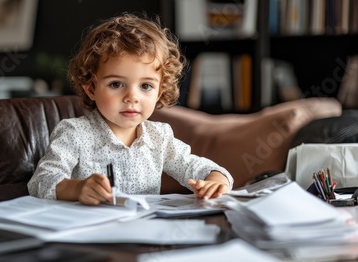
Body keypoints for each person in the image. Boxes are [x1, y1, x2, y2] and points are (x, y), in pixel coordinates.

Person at [27, 13, 233, 205]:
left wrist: (216, 181)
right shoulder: (74, 133)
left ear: (159, 91)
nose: (132, 97)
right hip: (88, 232)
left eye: (146, 86)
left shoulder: (159, 137)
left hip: (144, 232)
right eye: (116, 84)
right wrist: (78, 188)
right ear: (91, 88)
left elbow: (200, 168)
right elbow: (41, 181)